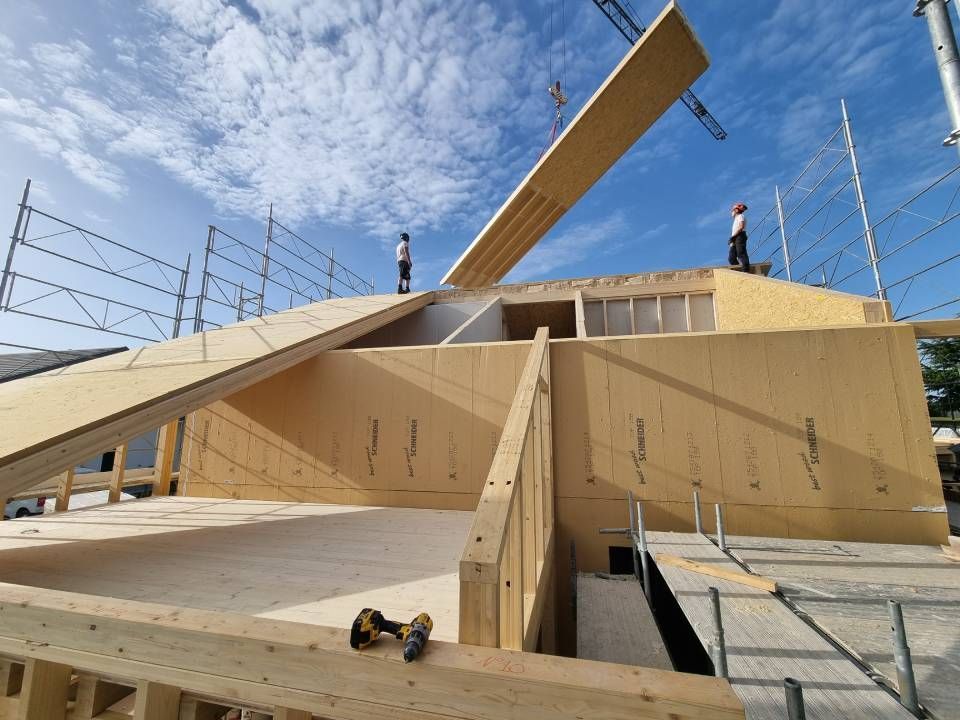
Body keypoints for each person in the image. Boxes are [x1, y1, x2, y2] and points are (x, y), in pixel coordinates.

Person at [728, 202, 751, 273]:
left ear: (736, 210)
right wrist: (732, 239)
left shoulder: (741, 216)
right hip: (735, 238)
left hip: (740, 236)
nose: (732, 212)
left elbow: (741, 227)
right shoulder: (736, 219)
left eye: (733, 210)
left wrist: (733, 237)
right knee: (731, 258)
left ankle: (746, 271)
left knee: (741, 253)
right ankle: (739, 271)